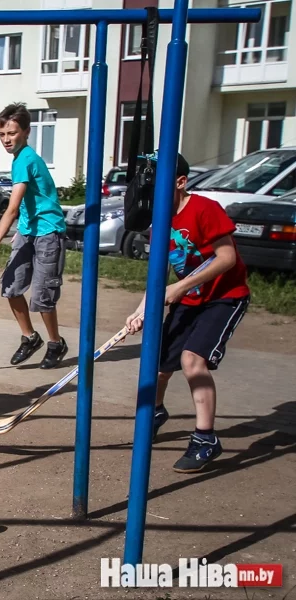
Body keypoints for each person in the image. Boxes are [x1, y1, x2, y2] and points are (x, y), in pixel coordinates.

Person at [125, 152, 250, 474]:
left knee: (191, 360)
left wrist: (180, 288)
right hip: (189, 298)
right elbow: (160, 277)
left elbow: (227, 258)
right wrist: (140, 311)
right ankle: (154, 413)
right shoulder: (159, 222)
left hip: (224, 297)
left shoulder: (204, 209)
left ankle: (206, 439)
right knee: (158, 363)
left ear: (180, 182)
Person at [0, 102, 69, 369]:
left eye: (12, 133)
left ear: (27, 132)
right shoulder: (19, 160)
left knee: (42, 297)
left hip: (48, 232)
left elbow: (12, 209)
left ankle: (56, 343)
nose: (7, 139)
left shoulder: (26, 159)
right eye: (2, 134)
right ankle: (30, 337)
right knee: (11, 286)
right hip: (28, 230)